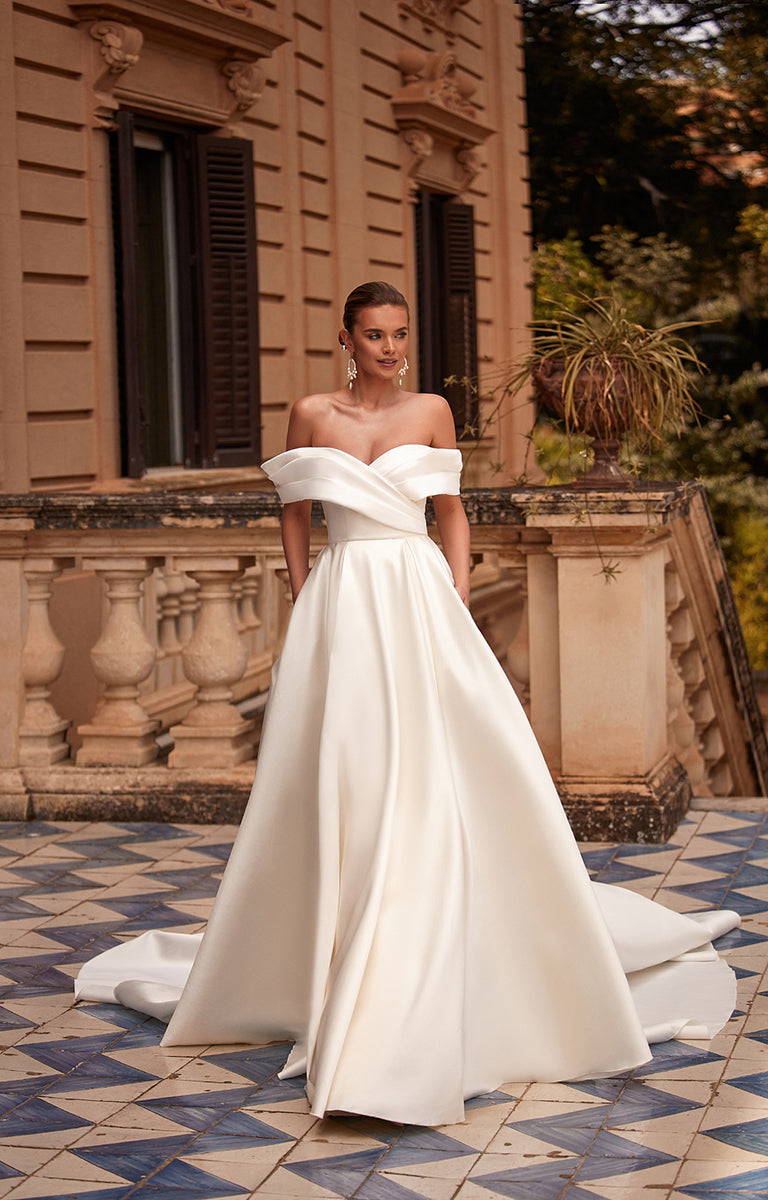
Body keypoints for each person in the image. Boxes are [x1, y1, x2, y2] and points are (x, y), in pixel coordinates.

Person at [75, 281, 739, 1127]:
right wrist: (303, 588)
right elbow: (295, 515)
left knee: (430, 770)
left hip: (418, 592)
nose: (391, 348)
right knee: (347, 768)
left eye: (400, 334)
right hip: (343, 599)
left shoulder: (430, 411)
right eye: (376, 335)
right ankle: (336, 946)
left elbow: (452, 513)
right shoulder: (310, 412)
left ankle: (415, 950)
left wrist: (455, 590)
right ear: (345, 339)